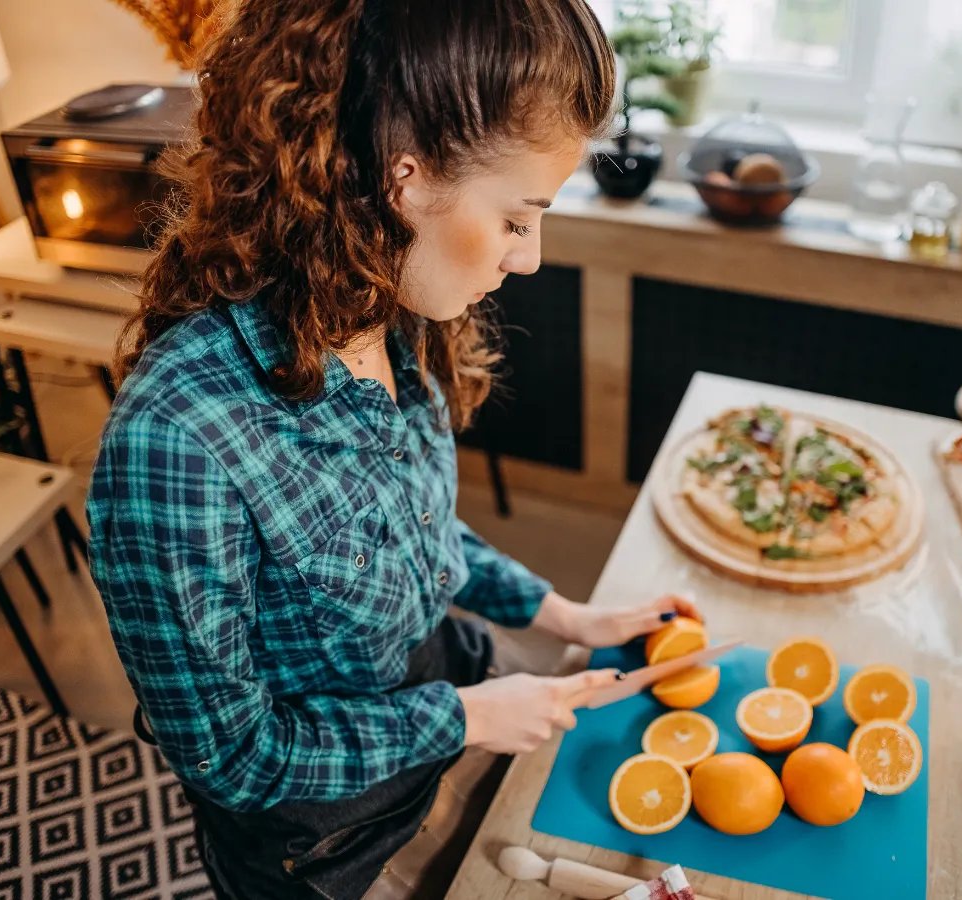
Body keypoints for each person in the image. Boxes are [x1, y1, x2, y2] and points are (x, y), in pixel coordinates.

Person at [83, 0, 703, 897]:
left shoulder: (383, 303)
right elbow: (237, 757)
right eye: (519, 218)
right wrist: (463, 718)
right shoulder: (177, 443)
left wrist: (563, 615)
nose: (528, 258)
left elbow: (408, 531)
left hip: (444, 698)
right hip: (329, 847)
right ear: (404, 180)